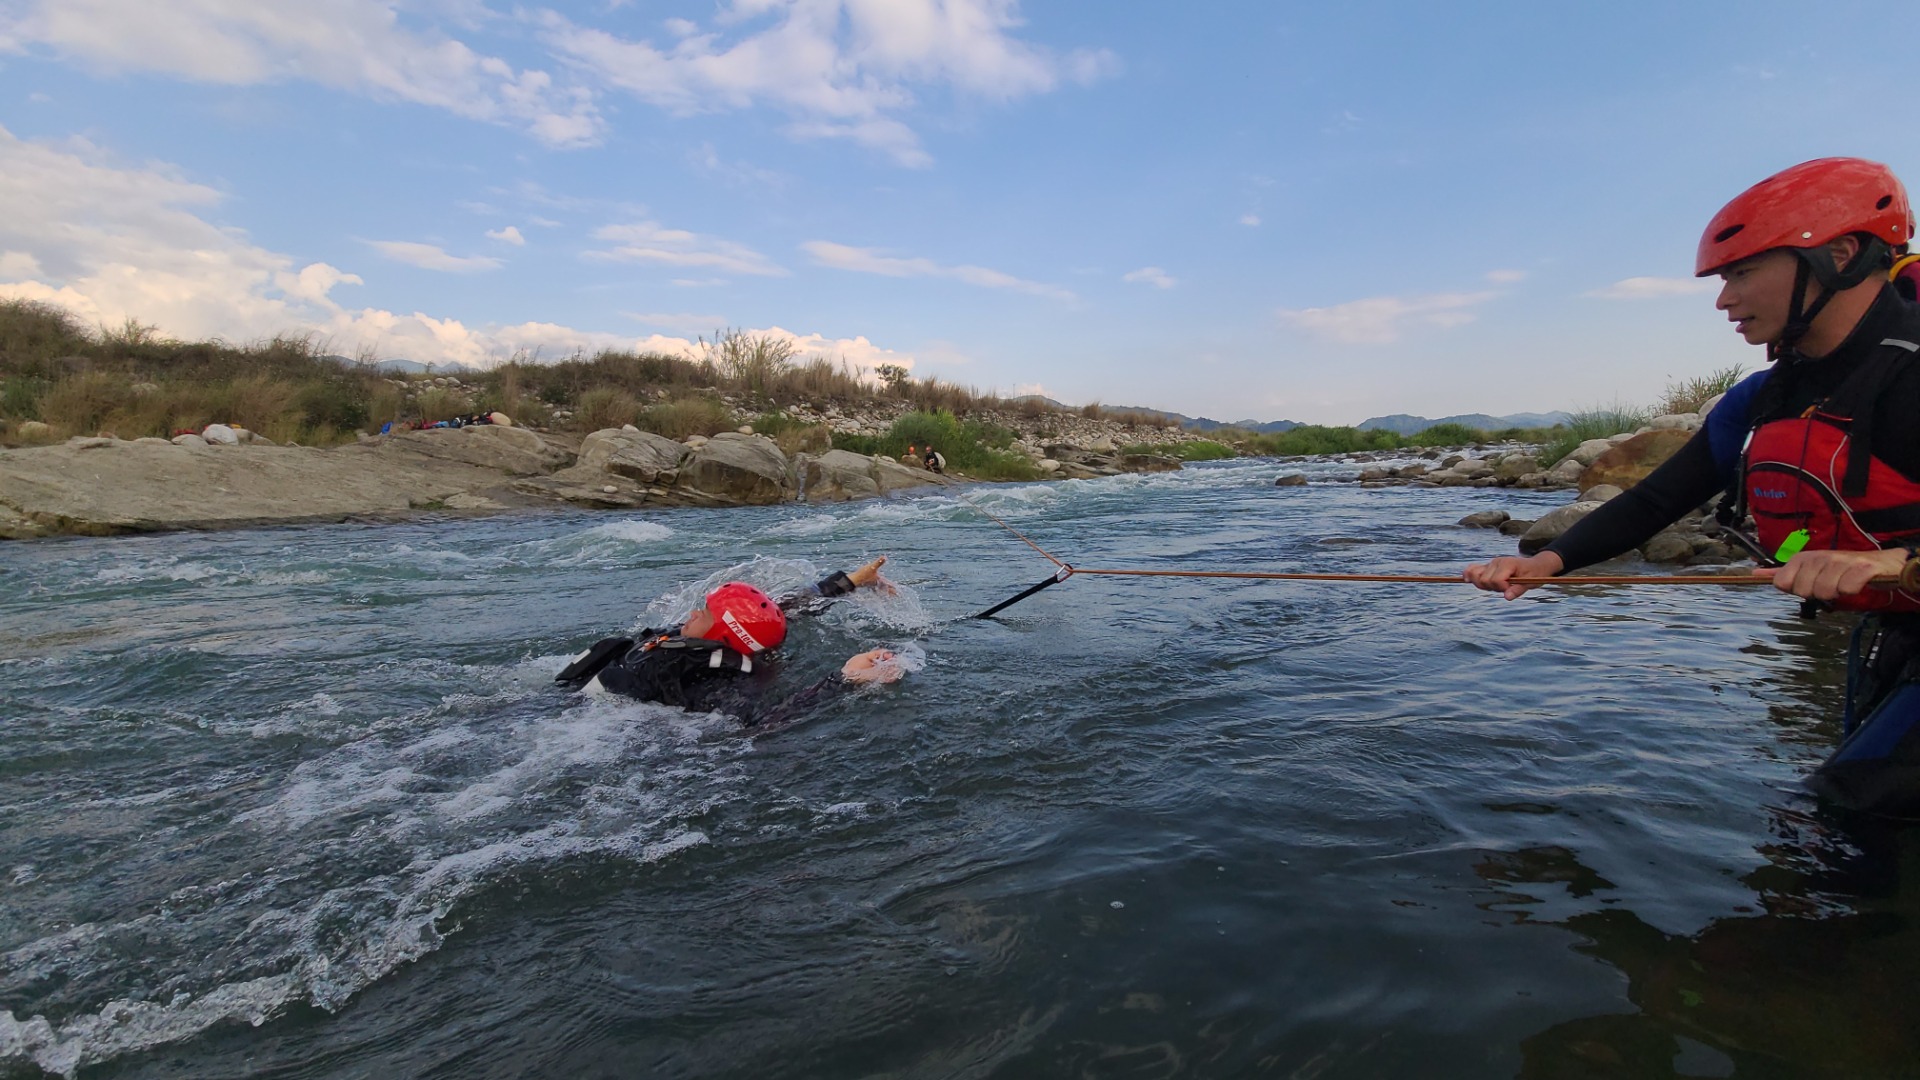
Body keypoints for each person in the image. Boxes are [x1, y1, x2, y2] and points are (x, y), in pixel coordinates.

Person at [1465, 157, 1920, 814]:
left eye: (1742, 272)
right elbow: (1655, 500)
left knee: (1841, 819)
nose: (1723, 299)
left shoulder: (1909, 379)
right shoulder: (1764, 399)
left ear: (1841, 254)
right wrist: (1545, 561)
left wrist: (1896, 562)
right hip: (1894, 634)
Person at [554, 556, 906, 728]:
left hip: (582, 719)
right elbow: (784, 609)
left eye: (703, 614)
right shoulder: (714, 641)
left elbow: (762, 722)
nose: (691, 615)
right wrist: (853, 580)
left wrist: (843, 680)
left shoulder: (711, 682)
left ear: (723, 635)